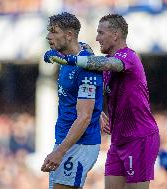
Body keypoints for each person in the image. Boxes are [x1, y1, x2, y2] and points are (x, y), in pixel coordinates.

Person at [44, 14, 160, 189]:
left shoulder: (128, 57)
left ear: (115, 35)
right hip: (118, 138)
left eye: (101, 33)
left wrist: (71, 59)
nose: (97, 37)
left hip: (139, 137)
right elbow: (87, 53)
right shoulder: (100, 62)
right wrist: (98, 111)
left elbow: (111, 64)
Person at [41, 12, 103, 189]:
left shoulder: (86, 68)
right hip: (65, 140)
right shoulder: (66, 57)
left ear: (69, 35)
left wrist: (60, 151)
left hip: (79, 145)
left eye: (54, 32)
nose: (48, 36)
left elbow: (84, 117)